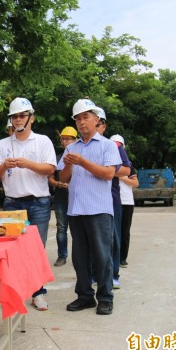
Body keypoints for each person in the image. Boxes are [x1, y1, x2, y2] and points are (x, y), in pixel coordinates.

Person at [0, 97, 56, 311]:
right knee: (12, 251)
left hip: (39, 202)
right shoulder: (3, 144)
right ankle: (17, 292)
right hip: (12, 204)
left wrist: (28, 164)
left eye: (22, 115)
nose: (18, 119)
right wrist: (3, 166)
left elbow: (50, 169)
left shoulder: (42, 141)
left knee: (37, 249)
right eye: (14, 116)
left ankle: (38, 293)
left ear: (31, 118)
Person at [59, 98, 122, 315]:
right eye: (78, 118)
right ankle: (85, 296)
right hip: (76, 209)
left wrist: (82, 162)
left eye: (86, 117)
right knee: (80, 257)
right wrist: (68, 164)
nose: (82, 122)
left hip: (99, 209)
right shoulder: (71, 148)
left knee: (102, 255)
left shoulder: (107, 146)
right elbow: (63, 178)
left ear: (97, 120)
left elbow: (108, 174)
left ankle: (105, 297)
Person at [95, 109, 131, 289]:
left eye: (99, 123)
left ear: (103, 125)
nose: (96, 126)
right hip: (92, 200)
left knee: (113, 238)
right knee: (94, 240)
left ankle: (114, 274)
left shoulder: (114, 146)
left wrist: (107, 170)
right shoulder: (81, 145)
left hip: (112, 199)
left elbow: (127, 170)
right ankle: (96, 274)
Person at [48, 126, 78, 267]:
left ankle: (80, 256)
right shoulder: (58, 158)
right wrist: (59, 184)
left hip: (77, 199)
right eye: (63, 139)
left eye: (68, 139)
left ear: (75, 140)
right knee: (61, 228)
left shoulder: (80, 156)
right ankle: (62, 256)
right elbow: (50, 178)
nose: (66, 142)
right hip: (61, 198)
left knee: (78, 229)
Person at [109, 135, 139, 268]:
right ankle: (111, 257)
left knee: (124, 230)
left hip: (126, 201)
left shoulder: (129, 165)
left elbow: (135, 183)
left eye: (119, 144)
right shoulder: (107, 162)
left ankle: (122, 258)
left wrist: (121, 177)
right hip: (111, 200)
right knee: (112, 231)